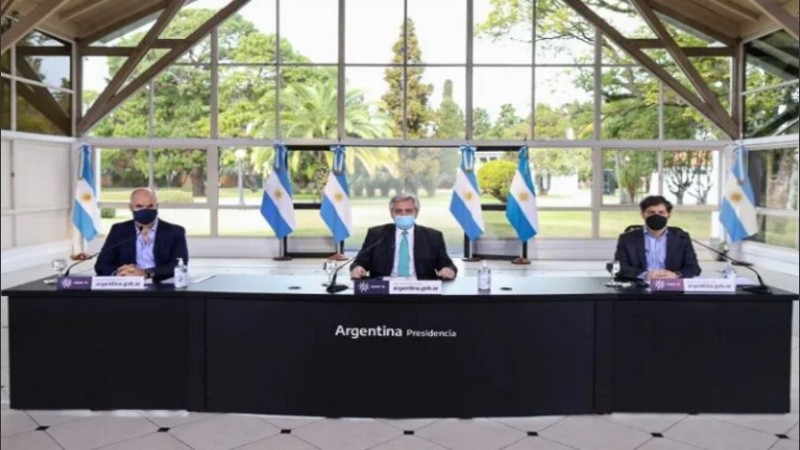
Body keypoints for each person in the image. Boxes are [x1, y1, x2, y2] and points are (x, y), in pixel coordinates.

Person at [350, 193, 457, 280]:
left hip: (422, 290)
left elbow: (447, 264)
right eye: (398, 211)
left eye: (408, 211)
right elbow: (359, 262)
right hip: (384, 290)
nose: (404, 215)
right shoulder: (376, 234)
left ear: (416, 212)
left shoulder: (433, 236)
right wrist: (358, 268)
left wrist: (448, 270)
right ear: (391, 213)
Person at [95, 187, 188, 281]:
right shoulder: (119, 230)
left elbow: (179, 265)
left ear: (157, 206)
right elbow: (101, 265)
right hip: (127, 285)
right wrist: (120, 273)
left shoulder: (175, 232)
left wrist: (146, 273)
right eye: (139, 206)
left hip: (161, 287)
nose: (145, 210)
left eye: (150, 206)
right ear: (131, 208)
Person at [614, 195, 701, 281]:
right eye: (651, 212)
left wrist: (676, 275)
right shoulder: (626, 238)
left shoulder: (682, 237)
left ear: (668, 215)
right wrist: (645, 275)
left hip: (672, 286)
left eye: (661, 212)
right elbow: (619, 267)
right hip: (639, 286)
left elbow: (694, 268)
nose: (656, 216)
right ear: (643, 214)